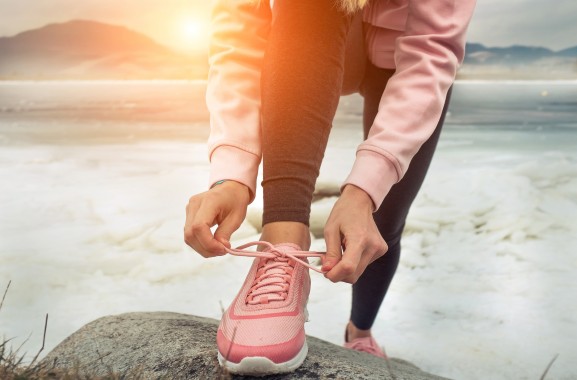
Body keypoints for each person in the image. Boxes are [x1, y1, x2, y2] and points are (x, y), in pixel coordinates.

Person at [184, 0, 476, 375]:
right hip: (309, 39)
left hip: (408, 53)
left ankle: (359, 332)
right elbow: (238, 32)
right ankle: (282, 245)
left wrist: (363, 191)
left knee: (380, 225)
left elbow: (431, 47)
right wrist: (232, 173)